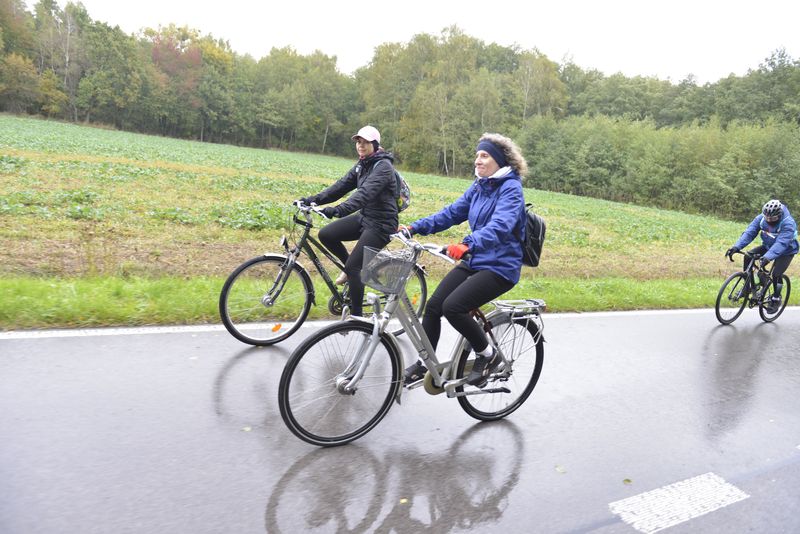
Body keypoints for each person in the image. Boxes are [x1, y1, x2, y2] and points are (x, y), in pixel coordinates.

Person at [400, 133, 527, 387]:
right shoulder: (480, 186)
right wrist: (414, 228)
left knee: (454, 307)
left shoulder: (511, 189)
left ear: (500, 161)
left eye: (485, 155)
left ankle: (488, 355)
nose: (478, 160)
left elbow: (500, 226)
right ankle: (426, 364)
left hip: (501, 266)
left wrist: (467, 244)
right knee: (434, 306)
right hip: (476, 259)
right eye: (477, 155)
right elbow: (451, 213)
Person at [298, 125, 398, 317]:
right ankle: (354, 272)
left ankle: (356, 318)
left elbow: (364, 195)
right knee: (326, 235)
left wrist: (337, 210)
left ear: (375, 144)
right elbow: (341, 186)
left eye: (366, 142)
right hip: (365, 217)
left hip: (382, 224)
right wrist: (312, 200)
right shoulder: (363, 164)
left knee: (354, 267)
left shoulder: (383, 167)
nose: (361, 145)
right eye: (358, 142)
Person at [725, 199, 798, 312]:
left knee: (776, 274)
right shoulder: (761, 218)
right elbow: (750, 232)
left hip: (786, 251)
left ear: (779, 215)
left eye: (772, 218)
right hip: (768, 246)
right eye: (767, 217)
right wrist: (736, 247)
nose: (769, 220)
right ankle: (748, 287)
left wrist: (768, 257)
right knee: (748, 256)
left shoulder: (788, 223)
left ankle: (776, 298)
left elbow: (781, 243)